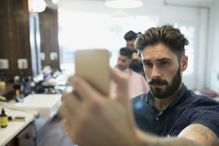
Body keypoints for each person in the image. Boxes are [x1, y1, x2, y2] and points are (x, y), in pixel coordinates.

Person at [60, 25, 219, 146]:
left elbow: (194, 142)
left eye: (164, 63)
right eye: (148, 64)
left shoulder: (206, 109)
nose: (155, 73)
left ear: (183, 63)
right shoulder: (129, 107)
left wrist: (124, 138)